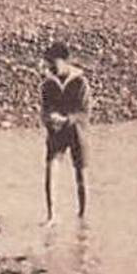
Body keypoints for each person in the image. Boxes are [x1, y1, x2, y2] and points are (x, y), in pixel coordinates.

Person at [40, 42, 90, 224]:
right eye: (49, 64)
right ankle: (52, 215)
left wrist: (66, 119)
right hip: (56, 132)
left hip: (77, 131)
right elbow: (45, 109)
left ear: (65, 61)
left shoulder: (80, 82)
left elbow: (84, 112)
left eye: (54, 63)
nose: (51, 68)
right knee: (51, 169)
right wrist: (49, 119)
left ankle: (83, 215)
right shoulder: (47, 84)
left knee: (81, 173)